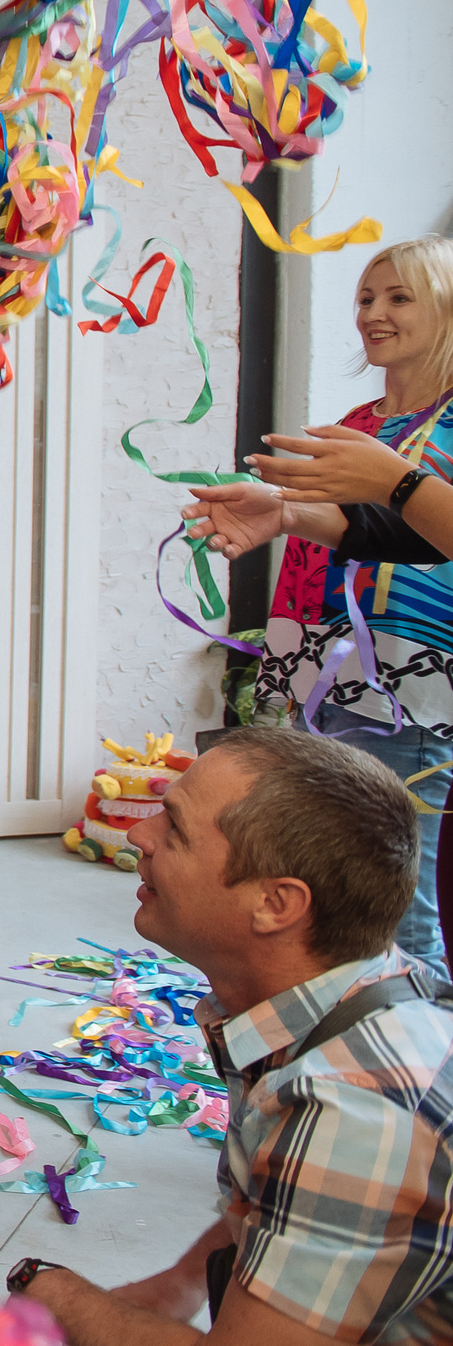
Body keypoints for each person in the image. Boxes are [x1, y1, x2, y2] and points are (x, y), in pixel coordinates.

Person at [5, 727, 452, 1344]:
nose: (139, 836)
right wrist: (182, 1283)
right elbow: (293, 1202)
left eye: (176, 829)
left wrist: (55, 1290)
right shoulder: (358, 989)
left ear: (276, 903)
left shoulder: (349, 1108)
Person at [187, 243, 453, 977]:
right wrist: (281, 512)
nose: (373, 313)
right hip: (337, 684)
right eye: (366, 298)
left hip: (415, 698)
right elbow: (366, 529)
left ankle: (423, 1073)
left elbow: (420, 525)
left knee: (403, 908)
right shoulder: (363, 422)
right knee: (348, 894)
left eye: (398, 297)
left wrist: (393, 482)